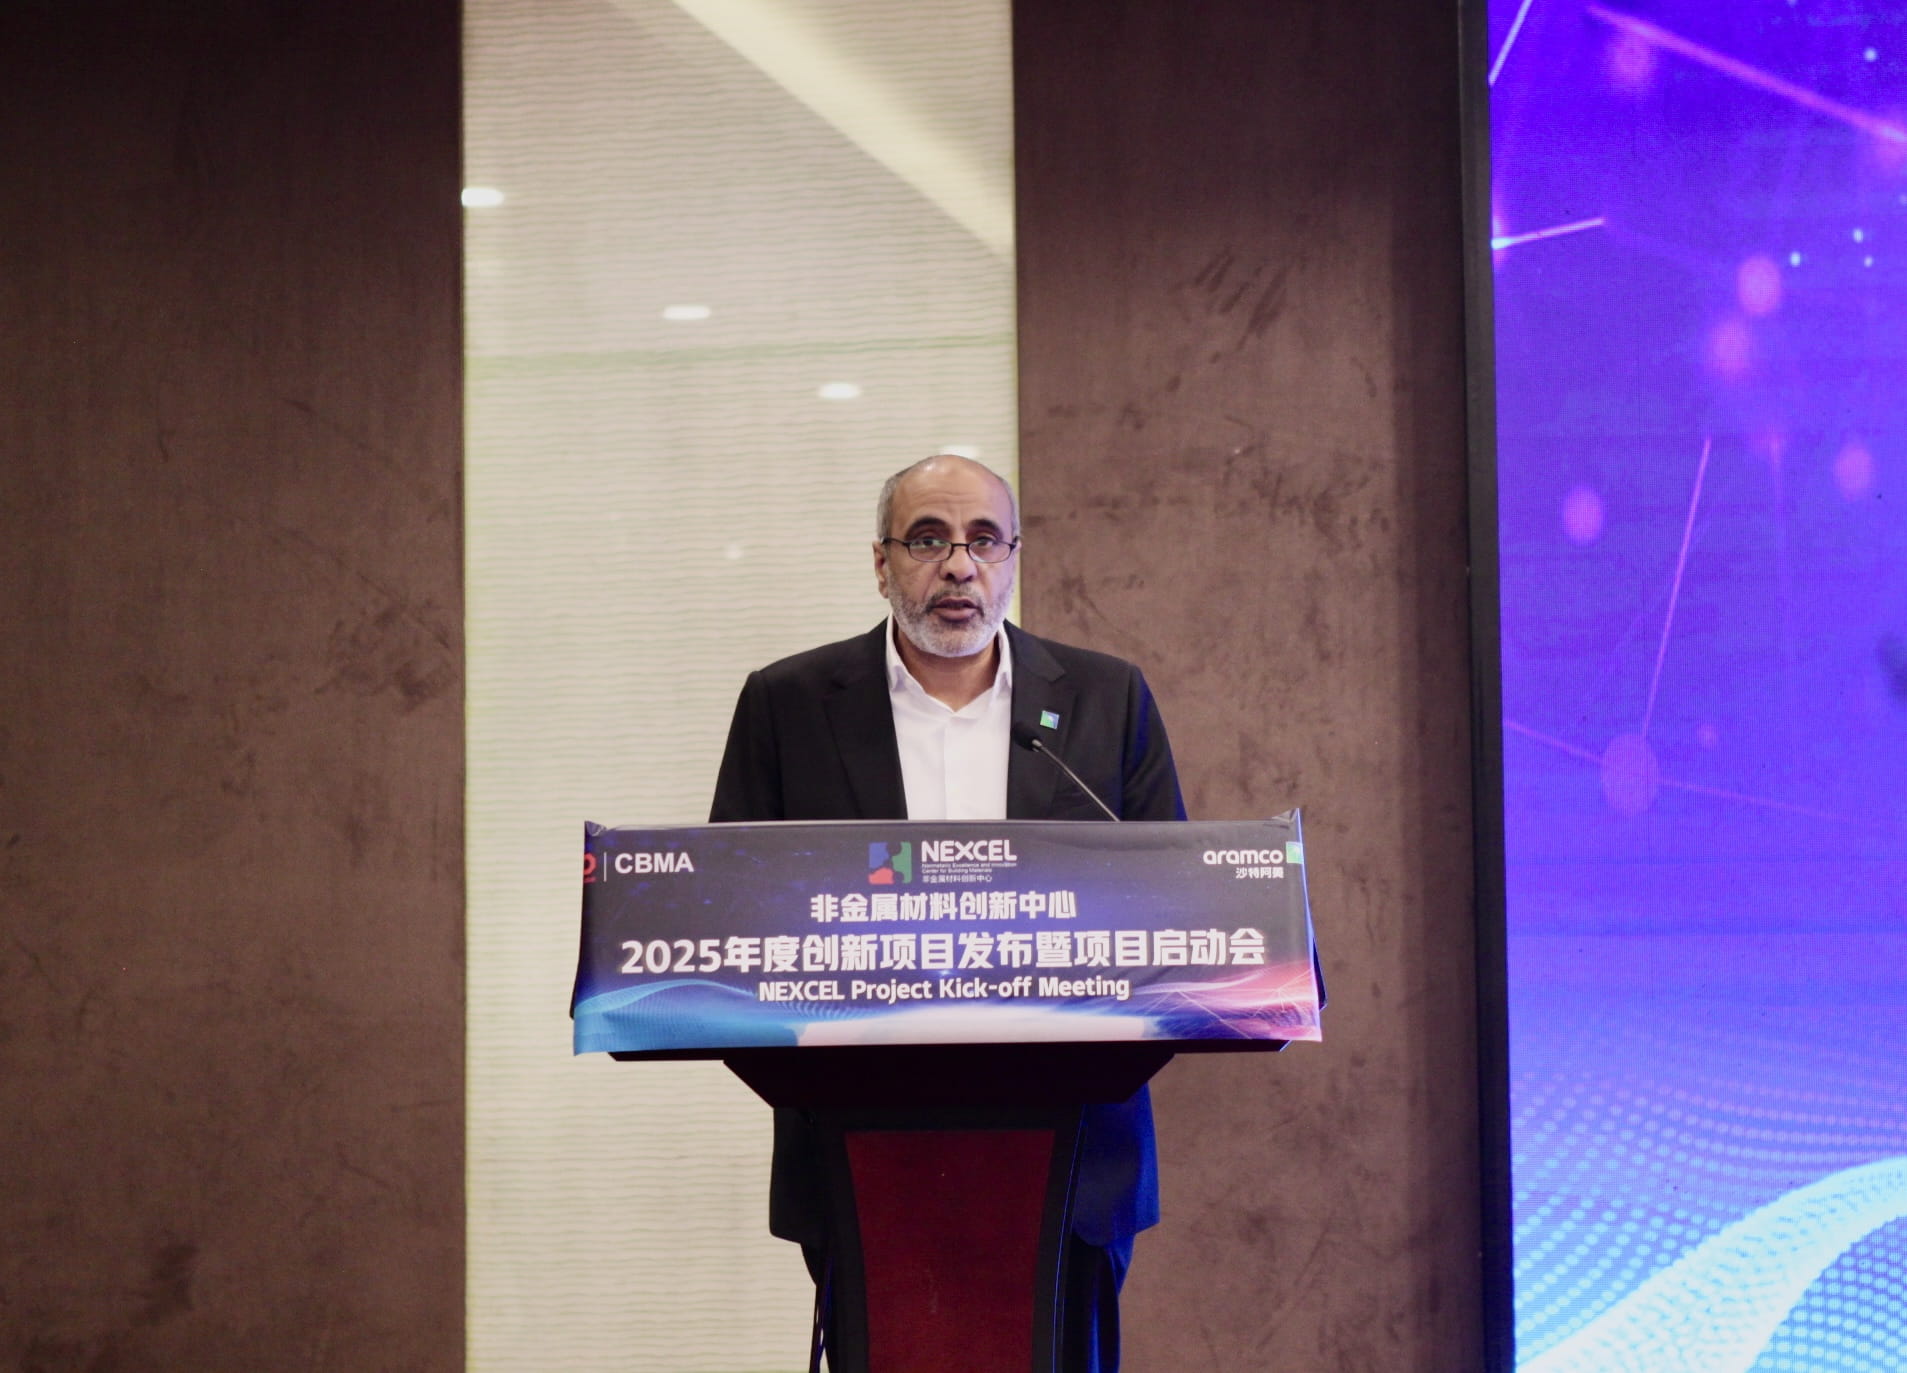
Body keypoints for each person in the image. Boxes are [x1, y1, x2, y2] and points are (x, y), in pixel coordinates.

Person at [710, 453, 1185, 1372]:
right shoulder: (789, 704)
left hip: (1076, 1147)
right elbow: (735, 918)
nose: (959, 565)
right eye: (927, 539)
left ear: (1012, 558)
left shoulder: (1106, 697)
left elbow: (1174, 908)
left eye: (983, 540)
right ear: (881, 562)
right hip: (857, 1148)